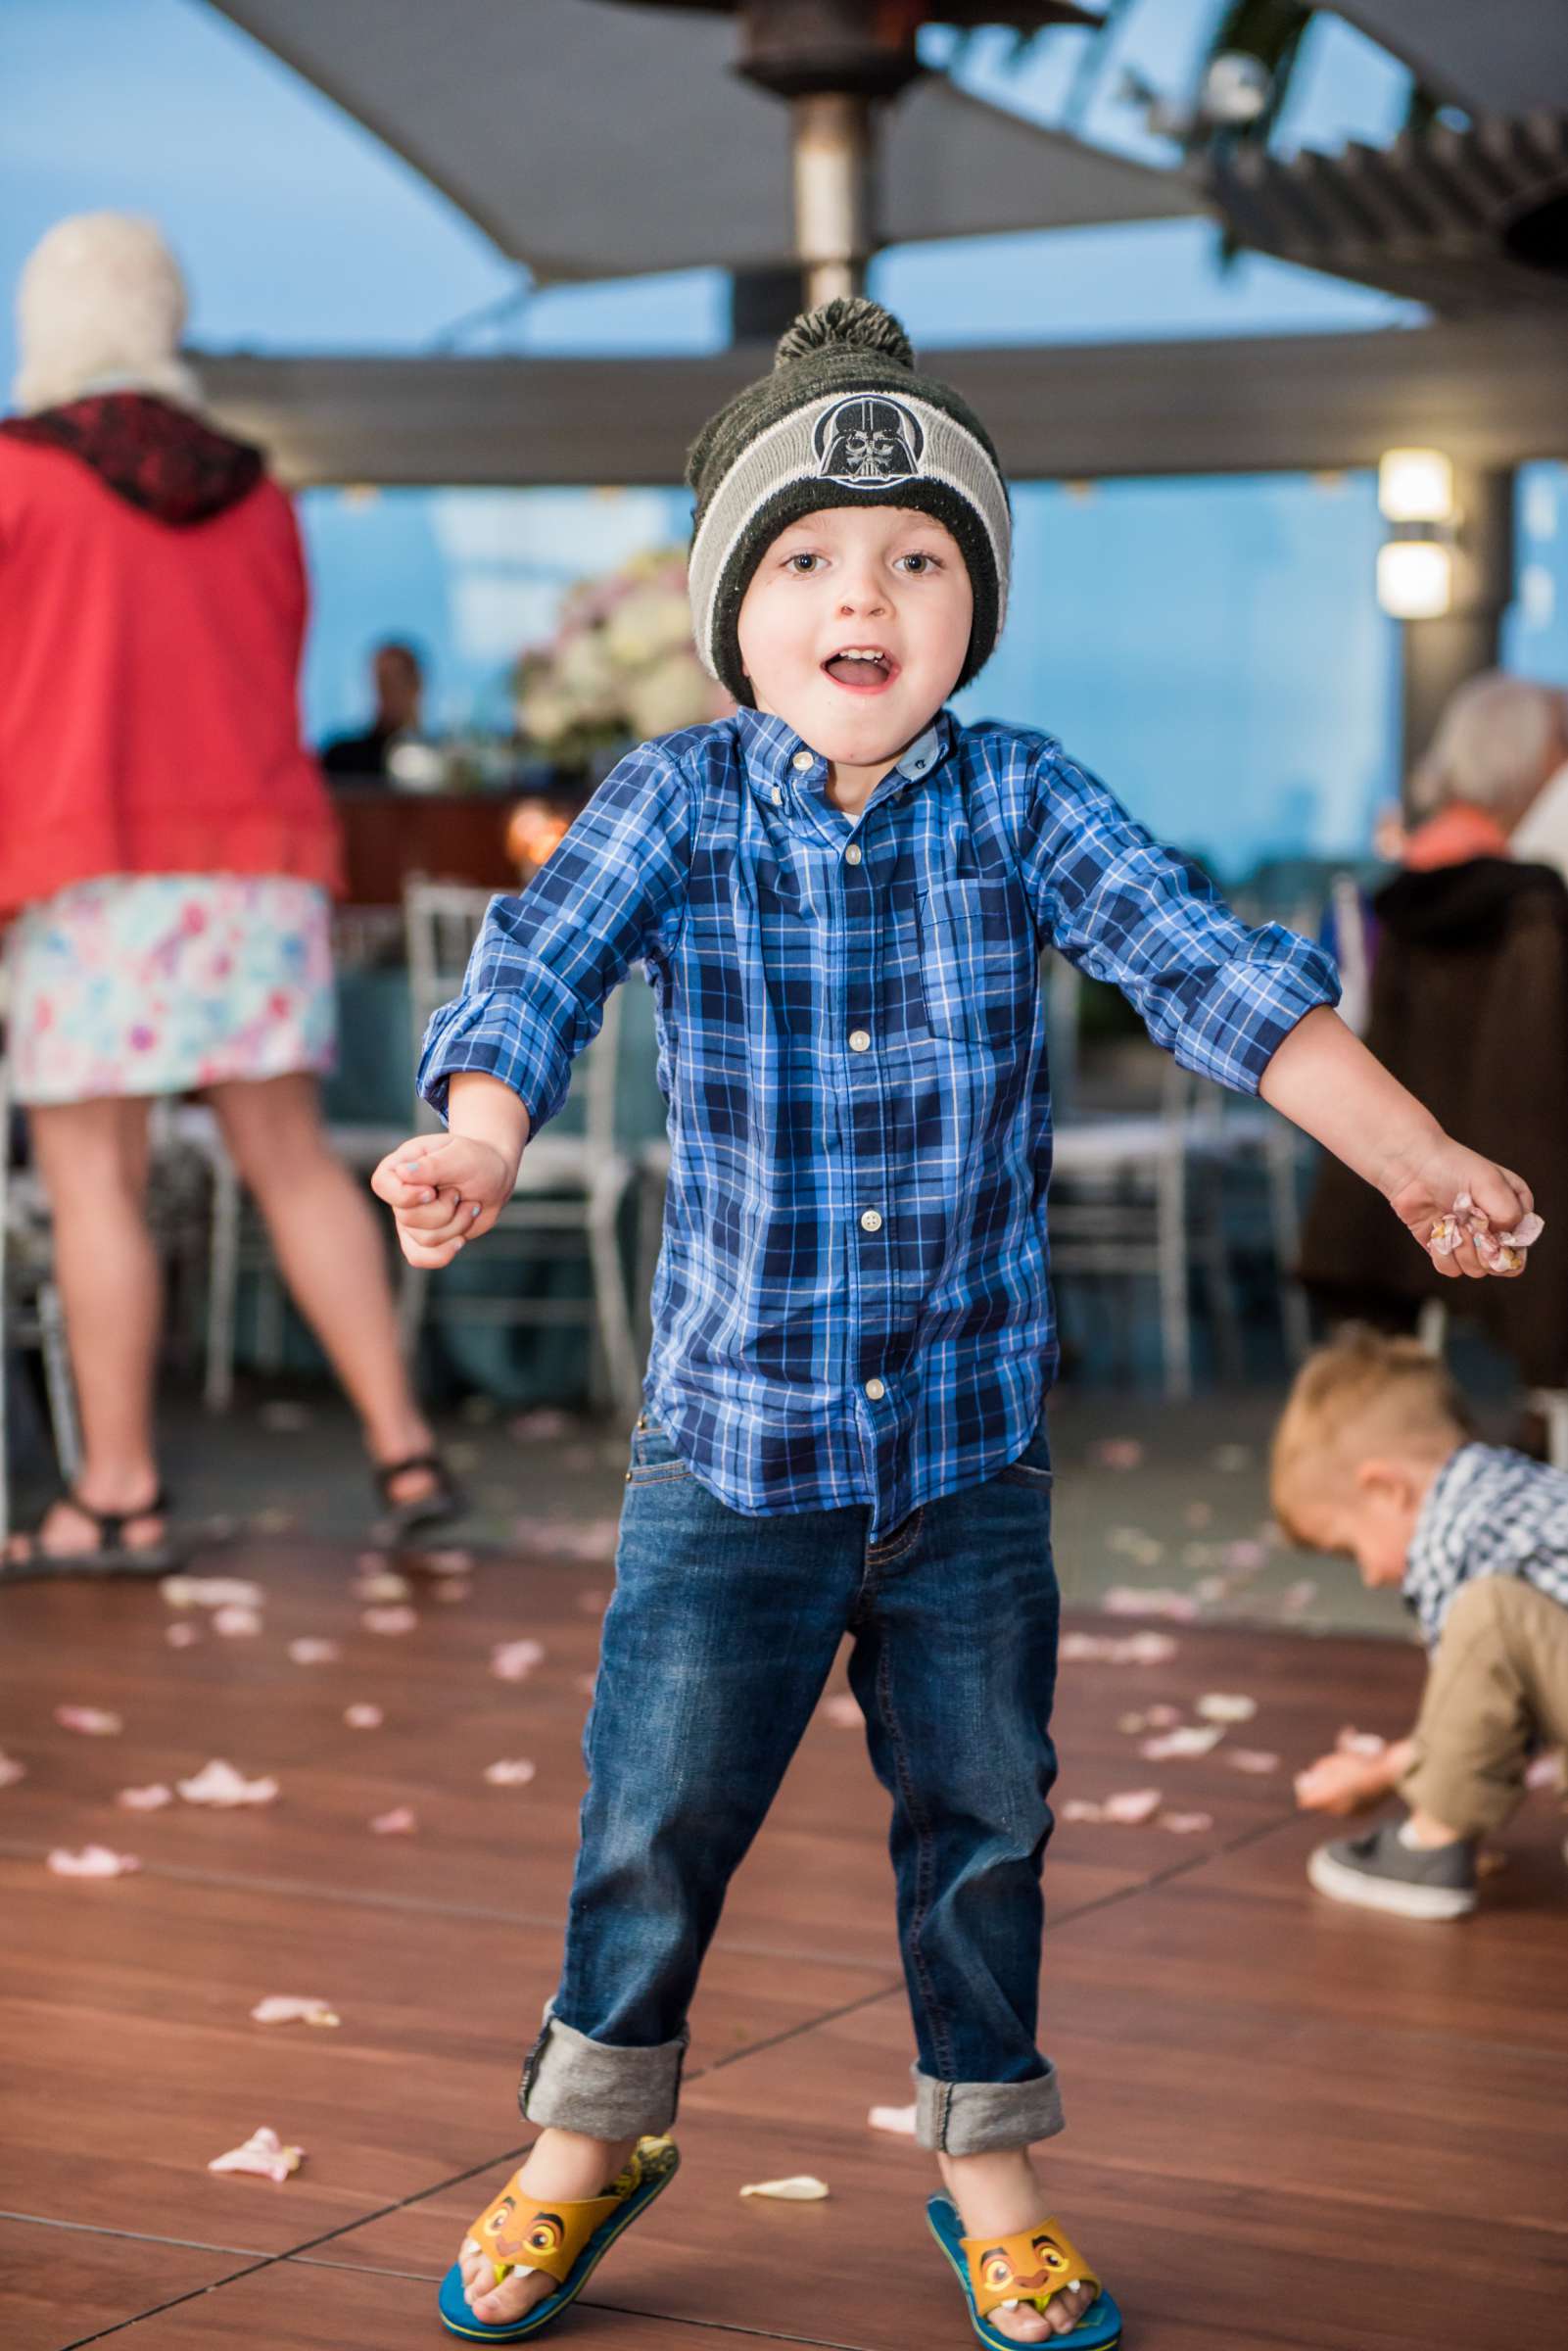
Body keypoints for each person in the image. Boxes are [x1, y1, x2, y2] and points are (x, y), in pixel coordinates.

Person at [372, 299, 1535, 2348]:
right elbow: (533, 971)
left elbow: (1215, 982)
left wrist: (1411, 1150)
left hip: (964, 1464)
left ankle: (985, 2172)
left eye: (917, 561)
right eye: (811, 560)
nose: (865, 596)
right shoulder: (671, 801)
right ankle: (583, 2141)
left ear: (967, 614)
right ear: (738, 613)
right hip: (729, 1456)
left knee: (979, 1829)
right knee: (654, 1819)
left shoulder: (1017, 801)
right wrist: (474, 1137)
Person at [0, 213, 457, 1567]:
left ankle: (123, 1493)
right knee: (290, 1157)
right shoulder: (260, 491)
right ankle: (404, 1451)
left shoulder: (16, 479)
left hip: (87, 865)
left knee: (96, 1179)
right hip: (256, 866)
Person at [1298, 670, 1568, 1404]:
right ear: (1542, 760)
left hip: (1394, 1190)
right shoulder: (1540, 898)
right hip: (1527, 1175)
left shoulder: (1406, 889)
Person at [1275, 1328, 1568, 1921]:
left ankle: (1428, 1853)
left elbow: (1467, 1725)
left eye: (1350, 1546)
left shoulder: (1452, 1533)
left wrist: (1386, 1776)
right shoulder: (1521, 1487)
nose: (1370, 1577)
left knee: (1489, 1614)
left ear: (1386, 1490)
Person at [320, 640, 427, 782]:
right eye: (383, 682)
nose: (390, 692)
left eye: (398, 681)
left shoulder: (442, 758)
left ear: (417, 685)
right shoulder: (342, 757)